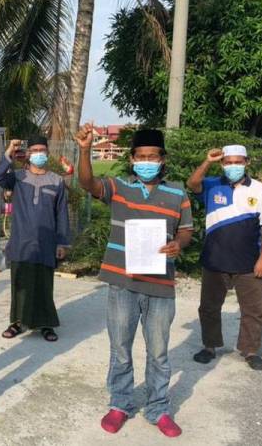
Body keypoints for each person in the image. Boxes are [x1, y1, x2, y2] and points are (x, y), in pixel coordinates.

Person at [77, 124, 193, 437]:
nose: (146, 161)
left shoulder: (178, 192)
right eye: (140, 156)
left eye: (152, 156)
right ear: (131, 159)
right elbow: (86, 182)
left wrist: (178, 245)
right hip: (122, 283)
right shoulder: (118, 187)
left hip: (160, 285)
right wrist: (85, 150)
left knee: (158, 352)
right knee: (120, 349)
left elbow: (186, 230)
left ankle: (158, 408)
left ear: (163, 159)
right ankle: (120, 404)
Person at [187, 145, 262, 371]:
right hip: (215, 259)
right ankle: (210, 346)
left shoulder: (260, 190)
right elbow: (192, 184)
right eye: (228, 162)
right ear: (222, 164)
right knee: (209, 307)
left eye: (238, 162)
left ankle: (250, 351)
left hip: (249, 262)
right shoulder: (213, 185)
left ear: (247, 162)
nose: (233, 166)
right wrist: (207, 162)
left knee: (254, 310)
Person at [0, 137, 70, 342]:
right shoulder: (18, 177)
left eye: (42, 150)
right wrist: (9, 152)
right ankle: (18, 322)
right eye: (34, 150)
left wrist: (62, 243)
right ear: (28, 154)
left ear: (47, 153)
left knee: (44, 285)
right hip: (21, 241)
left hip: (46, 243)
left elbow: (62, 214)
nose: (38, 153)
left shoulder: (56, 181)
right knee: (20, 284)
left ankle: (45, 324)